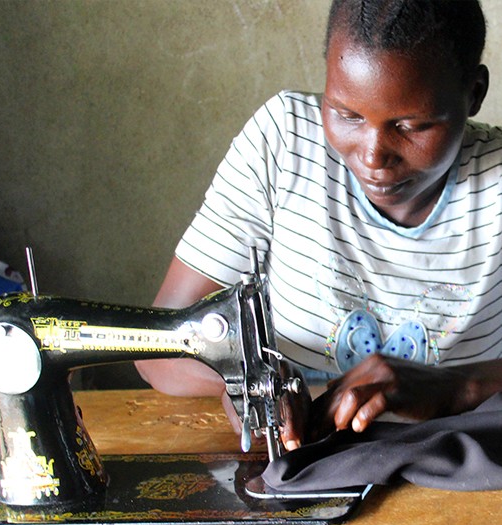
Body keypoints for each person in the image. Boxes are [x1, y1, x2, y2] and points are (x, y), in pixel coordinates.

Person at [136, 0, 502, 451]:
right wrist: (247, 382)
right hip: (297, 460)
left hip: (449, 478)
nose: (372, 156)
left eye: (411, 125)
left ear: (474, 93)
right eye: (347, 115)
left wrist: (454, 387)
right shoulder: (283, 145)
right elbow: (158, 350)